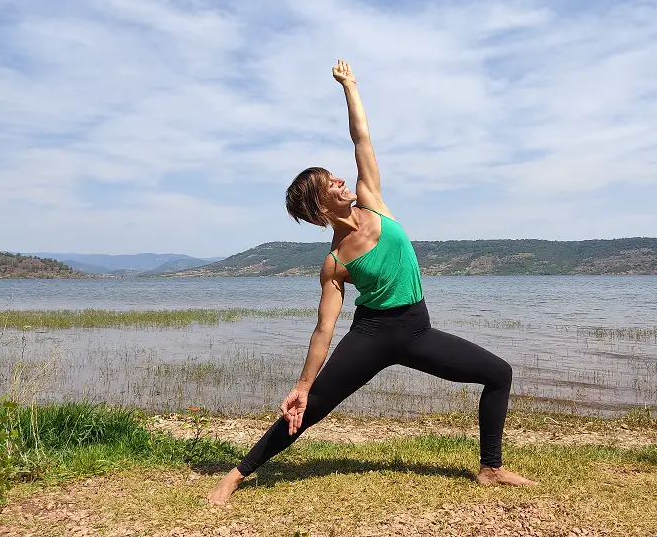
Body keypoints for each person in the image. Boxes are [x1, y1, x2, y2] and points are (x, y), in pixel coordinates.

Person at [207, 60, 536, 505]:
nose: (341, 179)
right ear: (320, 207)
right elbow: (324, 329)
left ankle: (491, 468)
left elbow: (361, 137)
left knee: (498, 373)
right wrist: (302, 385)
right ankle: (236, 475)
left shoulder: (373, 200)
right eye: (330, 182)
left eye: (337, 176)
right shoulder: (334, 262)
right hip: (372, 336)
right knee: (315, 406)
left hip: (417, 331)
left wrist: (350, 86)